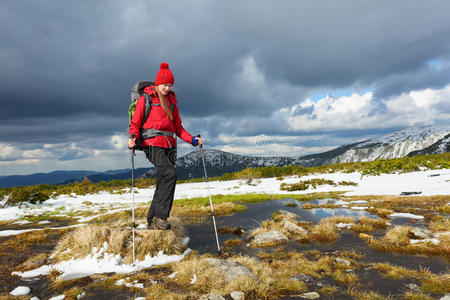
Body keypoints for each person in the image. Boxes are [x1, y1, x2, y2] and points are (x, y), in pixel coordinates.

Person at [128, 62, 203, 230]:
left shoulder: (172, 103)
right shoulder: (145, 99)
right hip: (151, 144)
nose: (167, 88)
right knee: (170, 174)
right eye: (164, 85)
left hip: (170, 146)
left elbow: (179, 128)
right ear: (157, 83)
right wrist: (132, 138)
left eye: (170, 85)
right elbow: (135, 123)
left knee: (163, 180)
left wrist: (192, 140)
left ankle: (151, 220)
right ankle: (161, 217)